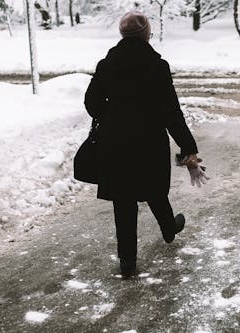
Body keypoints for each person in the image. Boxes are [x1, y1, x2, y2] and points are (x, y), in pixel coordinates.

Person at [84, 11, 208, 279]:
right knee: (154, 189)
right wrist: (188, 151)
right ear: (145, 34)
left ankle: (127, 262)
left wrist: (113, 114)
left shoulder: (106, 64)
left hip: (114, 143)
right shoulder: (157, 66)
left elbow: (91, 105)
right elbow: (171, 113)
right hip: (149, 142)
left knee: (123, 200)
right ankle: (169, 229)